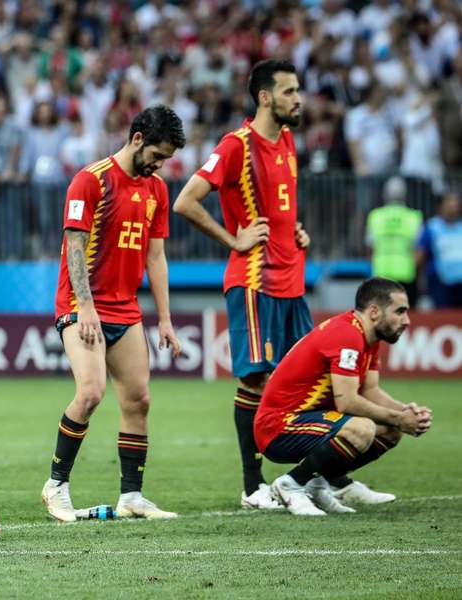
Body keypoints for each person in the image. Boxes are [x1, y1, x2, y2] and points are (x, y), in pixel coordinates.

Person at [173, 59, 313, 510]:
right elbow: (186, 201)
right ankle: (253, 486)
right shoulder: (236, 145)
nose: (299, 99)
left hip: (292, 280)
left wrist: (296, 228)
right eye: (290, 91)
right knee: (256, 380)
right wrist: (233, 238)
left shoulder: (288, 139)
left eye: (299, 90)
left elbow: (281, 203)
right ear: (265, 97)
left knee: (312, 380)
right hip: (254, 281)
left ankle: (324, 477)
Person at [40, 105, 186, 523]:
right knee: (90, 392)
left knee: (138, 400)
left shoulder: (156, 188)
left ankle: (132, 497)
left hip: (126, 309)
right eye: (158, 154)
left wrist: (166, 318)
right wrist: (84, 305)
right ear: (137, 139)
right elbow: (73, 245)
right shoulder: (91, 180)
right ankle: (56, 487)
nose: (160, 164)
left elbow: (156, 257)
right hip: (81, 305)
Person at [257, 278, 432, 516]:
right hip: (279, 426)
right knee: (362, 429)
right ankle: (290, 484)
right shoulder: (347, 335)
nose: (407, 320)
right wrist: (398, 417)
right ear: (374, 312)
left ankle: (317, 485)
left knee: (391, 430)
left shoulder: (367, 337)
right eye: (400, 312)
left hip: (309, 421)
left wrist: (406, 413)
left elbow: (370, 391)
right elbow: (347, 401)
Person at [366, 177, 423, 308]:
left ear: (385, 194)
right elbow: (419, 250)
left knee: (382, 315)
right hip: (406, 275)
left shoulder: (375, 216)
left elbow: (369, 248)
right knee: (405, 315)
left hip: (381, 274)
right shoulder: (413, 217)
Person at [417, 191, 462, 308]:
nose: (453, 210)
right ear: (441, 207)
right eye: (450, 206)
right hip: (440, 283)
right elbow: (421, 253)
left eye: (455, 206)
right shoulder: (432, 227)